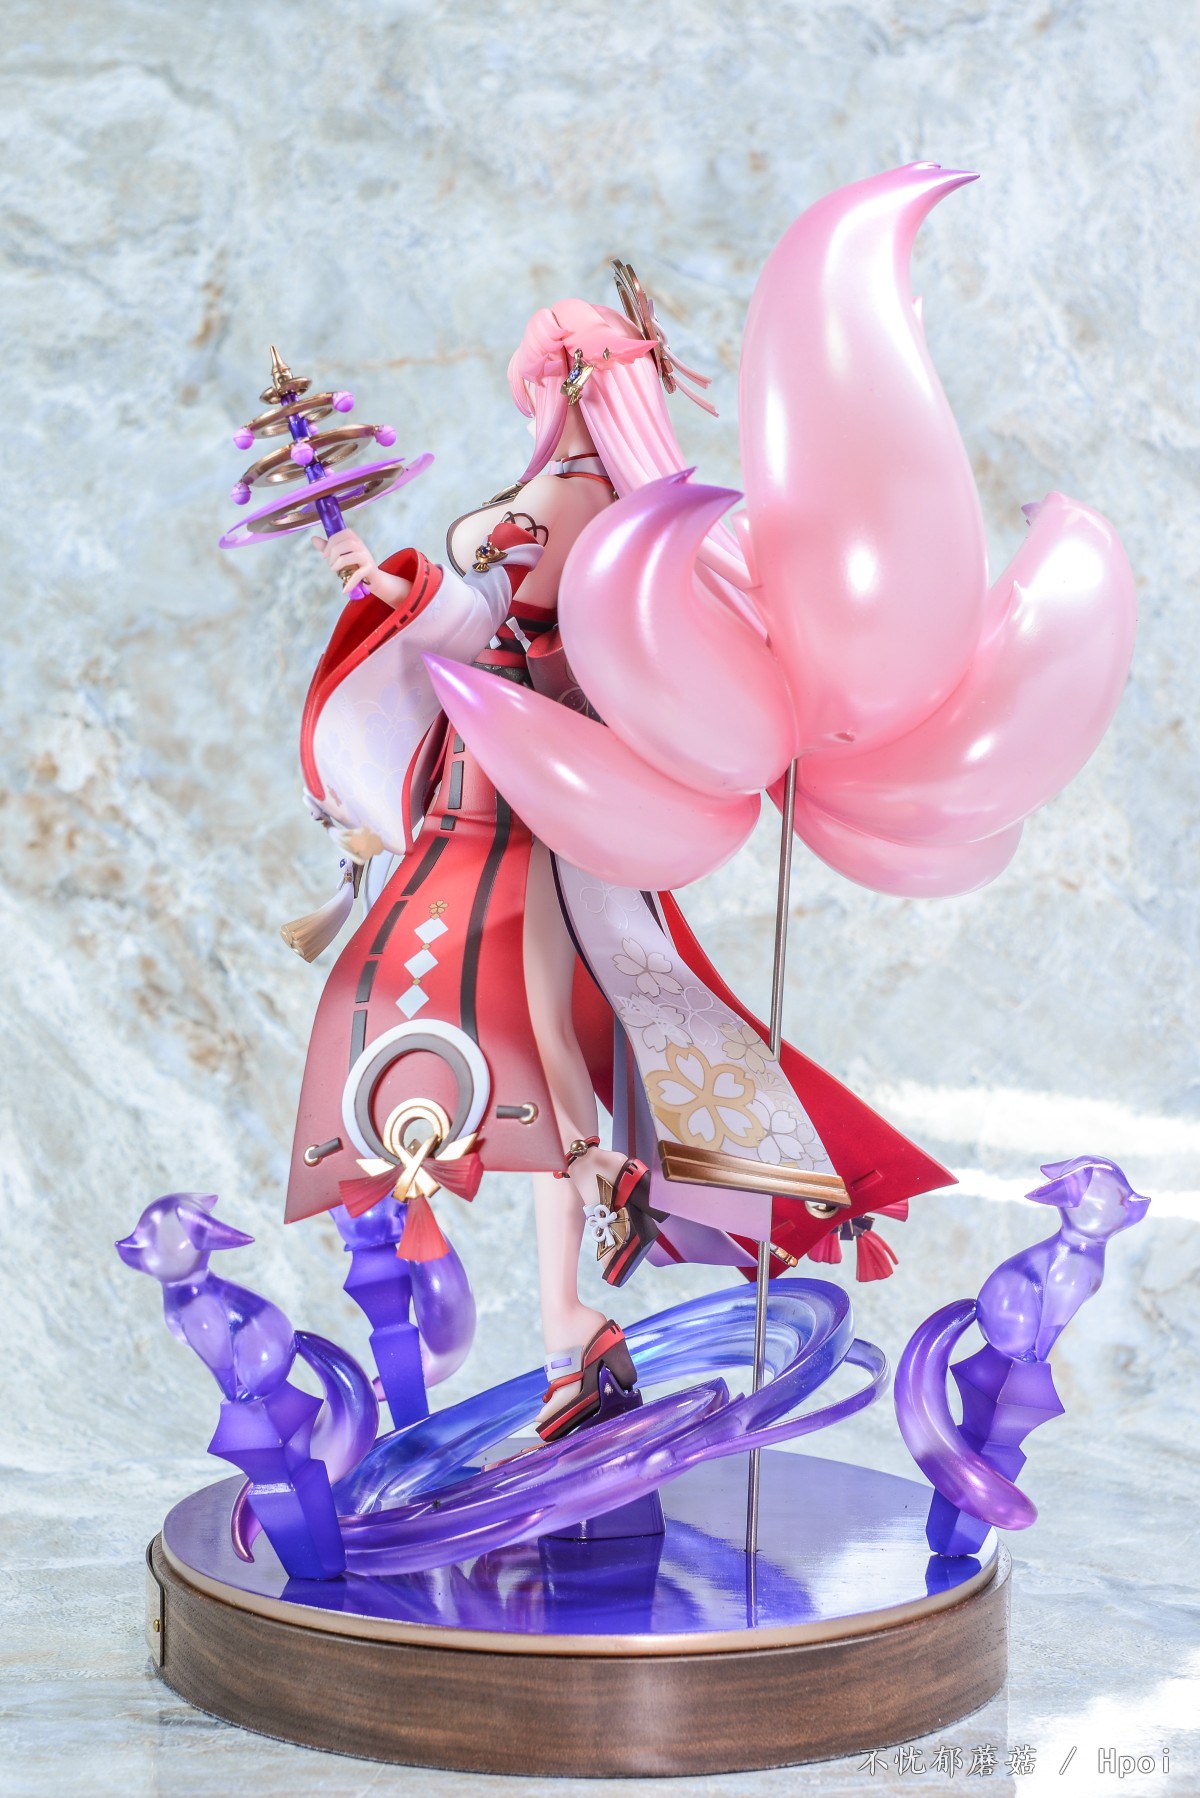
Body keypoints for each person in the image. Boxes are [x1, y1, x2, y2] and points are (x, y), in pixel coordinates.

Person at [283, 270, 951, 1441]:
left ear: (568, 384)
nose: (544, 399)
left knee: (476, 1029)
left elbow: (489, 614)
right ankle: (569, 1313)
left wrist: (412, 586)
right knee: (552, 1047)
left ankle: (559, 1275)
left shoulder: (560, 503)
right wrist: (405, 588)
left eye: (546, 378)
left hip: (514, 803)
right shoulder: (648, 513)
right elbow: (499, 627)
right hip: (541, 793)